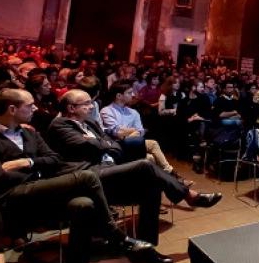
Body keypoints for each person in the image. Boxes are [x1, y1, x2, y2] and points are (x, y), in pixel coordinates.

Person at [0, 88, 153, 263]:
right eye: (30, 105)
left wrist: (28, 162)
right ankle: (116, 236)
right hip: (13, 200)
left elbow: (55, 160)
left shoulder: (29, 133)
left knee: (83, 204)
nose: (35, 107)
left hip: (41, 191)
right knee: (87, 177)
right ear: (12, 109)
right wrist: (39, 170)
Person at [47, 90, 221, 252]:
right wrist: (103, 144)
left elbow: (113, 146)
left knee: (152, 189)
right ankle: (189, 195)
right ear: (71, 108)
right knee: (144, 164)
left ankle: (148, 248)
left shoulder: (90, 123)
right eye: (86, 103)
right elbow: (94, 144)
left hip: (109, 170)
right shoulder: (60, 125)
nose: (92, 106)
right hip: (88, 175)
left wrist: (103, 144)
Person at [100, 80, 177, 176]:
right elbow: (116, 132)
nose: (132, 95)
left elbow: (140, 131)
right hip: (116, 146)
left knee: (150, 158)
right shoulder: (106, 111)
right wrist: (133, 130)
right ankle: (172, 174)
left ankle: (164, 180)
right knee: (153, 144)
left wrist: (129, 134)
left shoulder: (133, 112)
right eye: (129, 93)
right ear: (119, 96)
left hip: (134, 144)